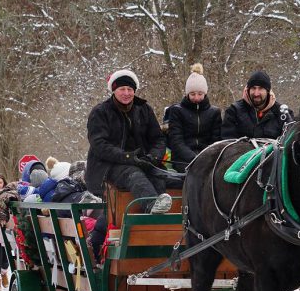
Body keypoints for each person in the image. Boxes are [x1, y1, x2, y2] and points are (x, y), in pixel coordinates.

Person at [86, 69, 172, 214]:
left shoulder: (144, 109)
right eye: (122, 89)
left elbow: (158, 139)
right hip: (109, 165)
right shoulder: (100, 112)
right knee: (133, 174)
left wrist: (153, 157)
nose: (126, 93)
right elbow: (99, 145)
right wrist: (127, 156)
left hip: (142, 161)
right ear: (114, 90)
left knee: (162, 177)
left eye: (130, 89)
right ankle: (152, 205)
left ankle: (165, 224)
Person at [168, 63, 222, 172]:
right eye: (192, 94)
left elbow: (216, 141)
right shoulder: (177, 111)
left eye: (200, 94)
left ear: (205, 93)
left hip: (208, 157)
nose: (196, 98)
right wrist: (193, 158)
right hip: (182, 159)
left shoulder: (214, 112)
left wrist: (205, 157)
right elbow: (176, 141)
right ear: (187, 94)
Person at [221, 70, 292, 140]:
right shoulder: (234, 111)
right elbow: (227, 141)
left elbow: (289, 144)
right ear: (248, 90)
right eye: (253, 88)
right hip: (240, 151)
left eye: (260, 88)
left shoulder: (283, 114)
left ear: (268, 91)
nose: (256, 93)